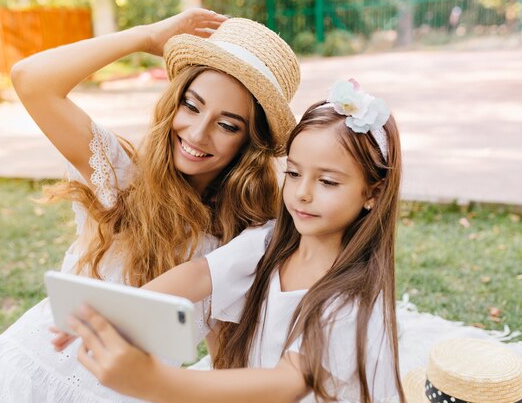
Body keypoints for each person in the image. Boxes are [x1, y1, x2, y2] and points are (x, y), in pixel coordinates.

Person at [0, 9, 300, 403]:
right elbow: (31, 80)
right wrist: (142, 36)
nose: (198, 133)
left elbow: (226, 355)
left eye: (227, 125)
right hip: (24, 379)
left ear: (249, 141)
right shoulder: (123, 176)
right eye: (191, 105)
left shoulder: (241, 240)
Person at [67, 79, 406, 403]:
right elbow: (199, 275)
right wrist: (114, 313)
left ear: (372, 194)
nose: (302, 194)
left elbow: (287, 383)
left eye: (327, 182)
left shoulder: (352, 296)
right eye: (293, 173)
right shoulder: (269, 241)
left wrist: (153, 381)